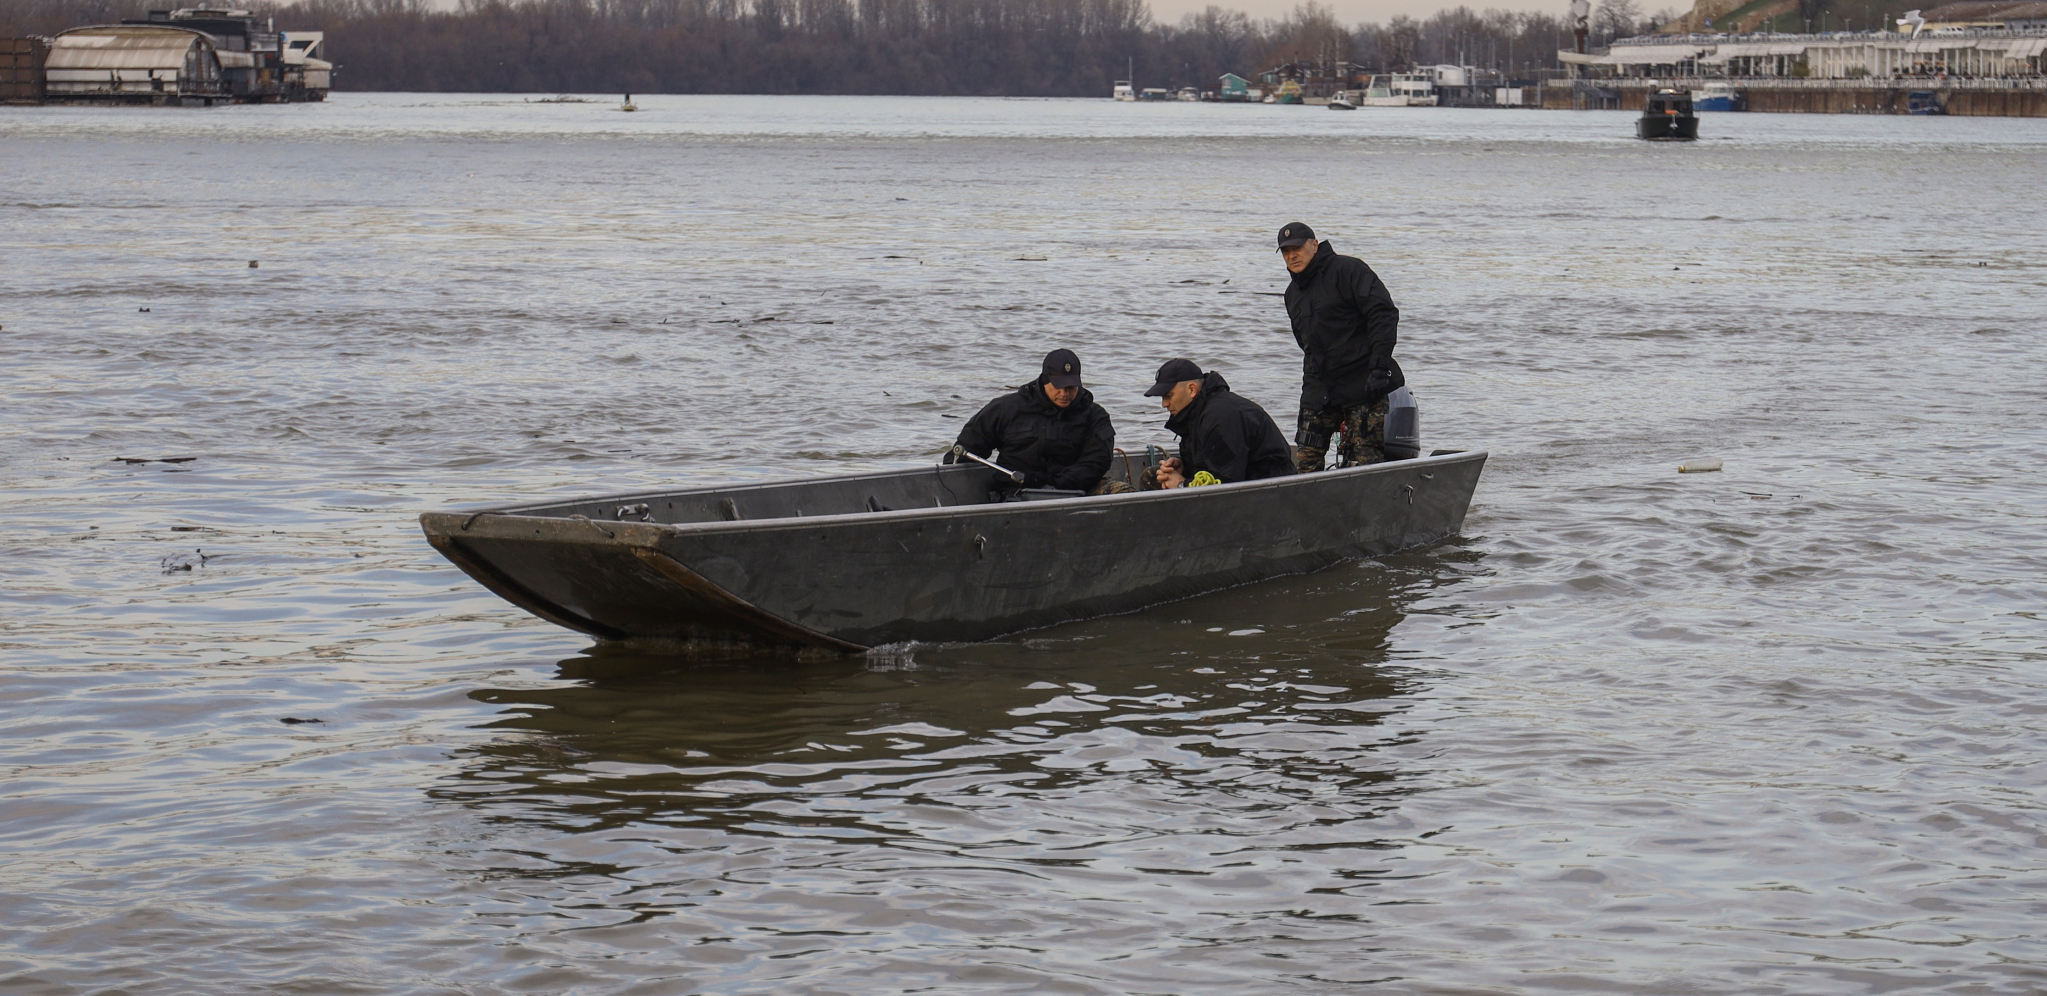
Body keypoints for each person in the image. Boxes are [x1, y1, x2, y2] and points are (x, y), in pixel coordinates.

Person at [1276, 221, 1407, 473]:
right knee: (1304, 463)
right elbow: (1305, 344)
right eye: (1285, 252)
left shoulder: (1348, 270)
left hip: (1363, 384)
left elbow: (1384, 315)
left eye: (1297, 248)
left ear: (1314, 245)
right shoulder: (1292, 294)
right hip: (1319, 388)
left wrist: (1379, 368)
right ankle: (1311, 510)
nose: (1292, 256)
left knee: (1364, 467)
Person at [947, 348, 1122, 495]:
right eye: (1058, 387)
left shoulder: (1095, 416)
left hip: (1073, 493)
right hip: (1012, 493)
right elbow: (967, 449)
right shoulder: (1007, 408)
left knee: (1121, 491)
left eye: (1071, 388)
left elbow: (1096, 462)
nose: (1064, 394)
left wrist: (1052, 482)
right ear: (1045, 380)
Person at [1140, 358, 1294, 489]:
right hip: (1242, 482)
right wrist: (1184, 467)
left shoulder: (1221, 417)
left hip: (1268, 490)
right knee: (1153, 477)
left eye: (1168, 396)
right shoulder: (1196, 413)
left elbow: (1228, 484)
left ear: (1191, 389)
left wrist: (1181, 485)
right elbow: (1210, 462)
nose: (1164, 404)